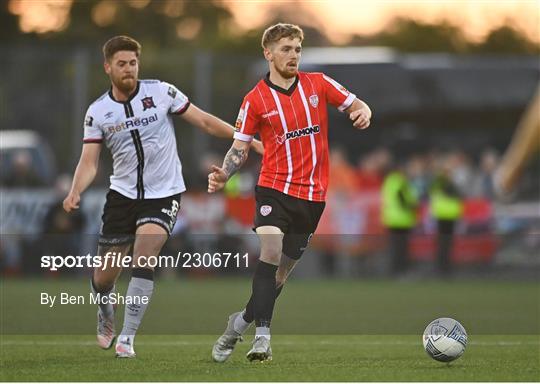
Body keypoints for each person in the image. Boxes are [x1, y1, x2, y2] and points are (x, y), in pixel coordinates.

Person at [62, 35, 262, 358]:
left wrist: (246, 140)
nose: (129, 69)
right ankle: (105, 308)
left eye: (133, 63)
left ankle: (127, 338)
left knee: (145, 256)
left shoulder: (161, 92)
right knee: (102, 278)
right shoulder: (97, 112)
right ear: (107, 67)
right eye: (122, 64)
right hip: (123, 197)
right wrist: (75, 191)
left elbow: (205, 122)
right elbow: (89, 162)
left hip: (164, 193)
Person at [207, 23, 372, 362]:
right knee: (270, 249)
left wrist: (361, 113)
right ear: (268, 53)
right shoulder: (255, 100)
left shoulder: (318, 83)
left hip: (312, 196)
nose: (293, 55)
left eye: (297, 48)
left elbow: (359, 104)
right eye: (286, 49)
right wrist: (225, 172)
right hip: (274, 189)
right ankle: (262, 339)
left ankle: (238, 324)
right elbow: (240, 147)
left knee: (280, 274)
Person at [381, 164, 418, 276]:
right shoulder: (399, 182)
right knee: (402, 248)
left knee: (395, 247)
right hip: (401, 219)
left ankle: (395, 271)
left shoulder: (389, 181)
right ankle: (401, 271)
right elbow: (403, 200)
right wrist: (413, 206)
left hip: (392, 219)